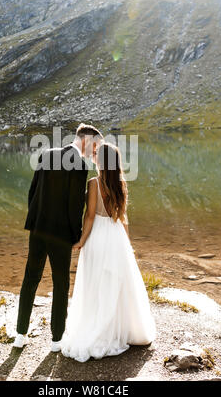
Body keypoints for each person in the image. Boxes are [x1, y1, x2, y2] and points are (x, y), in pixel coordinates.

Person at [60, 142, 156, 362]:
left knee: (96, 282)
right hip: (117, 236)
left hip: (99, 236)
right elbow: (123, 216)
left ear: (102, 160)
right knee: (118, 283)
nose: (93, 156)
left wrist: (81, 240)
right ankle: (125, 329)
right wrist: (128, 243)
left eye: (96, 154)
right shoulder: (121, 182)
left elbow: (90, 216)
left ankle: (101, 327)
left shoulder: (94, 183)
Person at [13, 123, 103, 350]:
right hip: (61, 235)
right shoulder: (80, 166)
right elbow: (75, 206)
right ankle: (56, 340)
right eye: (95, 146)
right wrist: (77, 237)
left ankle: (20, 335)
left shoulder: (46, 154)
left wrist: (35, 222)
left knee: (30, 279)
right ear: (86, 140)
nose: (95, 151)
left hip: (38, 229)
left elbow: (32, 192)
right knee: (60, 284)